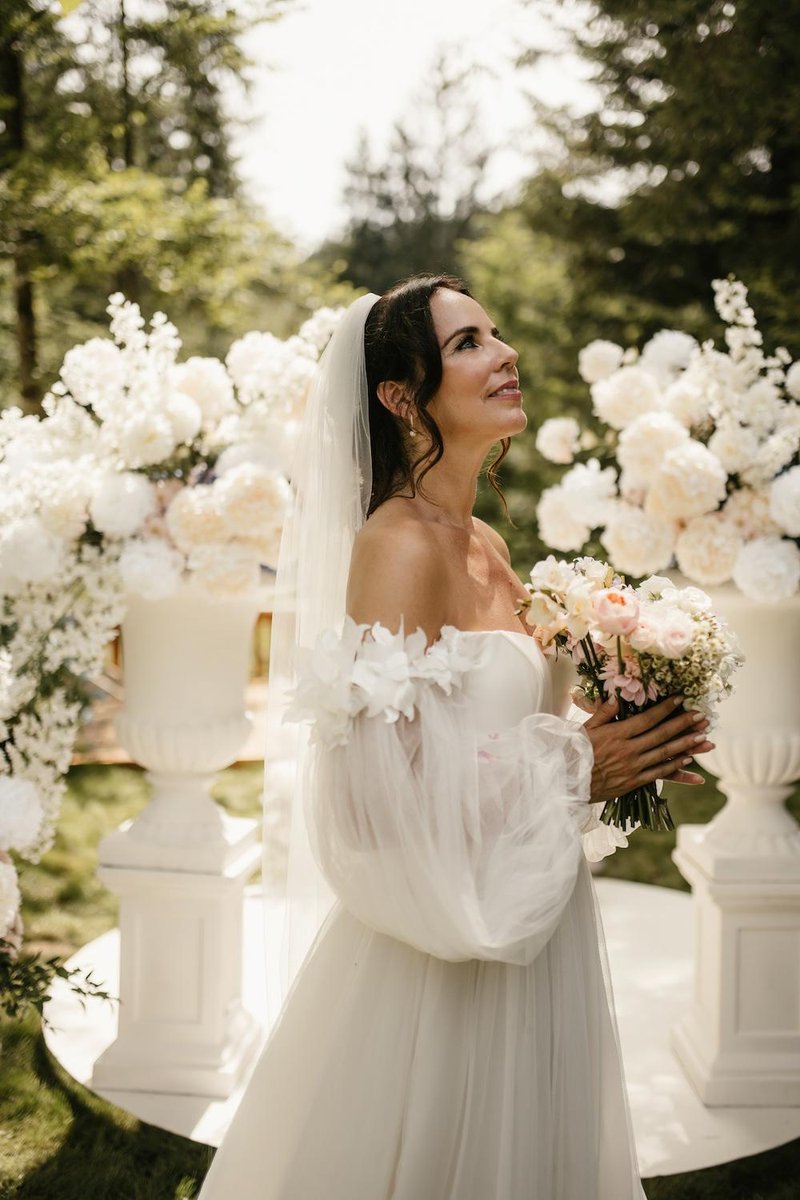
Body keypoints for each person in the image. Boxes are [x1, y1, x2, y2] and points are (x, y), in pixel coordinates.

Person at [198, 274, 713, 1200]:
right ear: (401, 396)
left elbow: (486, 737)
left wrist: (621, 724)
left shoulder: (488, 544)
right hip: (436, 968)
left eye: (496, 331)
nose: (505, 352)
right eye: (469, 342)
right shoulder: (398, 547)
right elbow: (373, 802)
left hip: (531, 911)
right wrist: (574, 770)